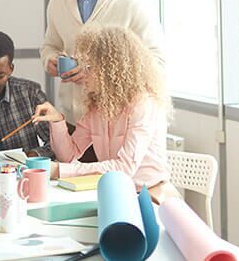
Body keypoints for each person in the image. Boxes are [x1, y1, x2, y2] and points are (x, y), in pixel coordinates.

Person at [33, 25, 178, 202]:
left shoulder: (143, 104)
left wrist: (59, 170)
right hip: (118, 192)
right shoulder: (98, 105)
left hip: (149, 196)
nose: (82, 74)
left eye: (88, 67)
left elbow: (124, 168)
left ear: (109, 70)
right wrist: (57, 121)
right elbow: (69, 156)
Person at [41, 0, 165, 126]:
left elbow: (157, 63)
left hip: (117, 125)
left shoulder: (132, 1)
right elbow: (50, 46)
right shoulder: (57, 2)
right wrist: (50, 59)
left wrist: (97, 73)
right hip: (74, 122)